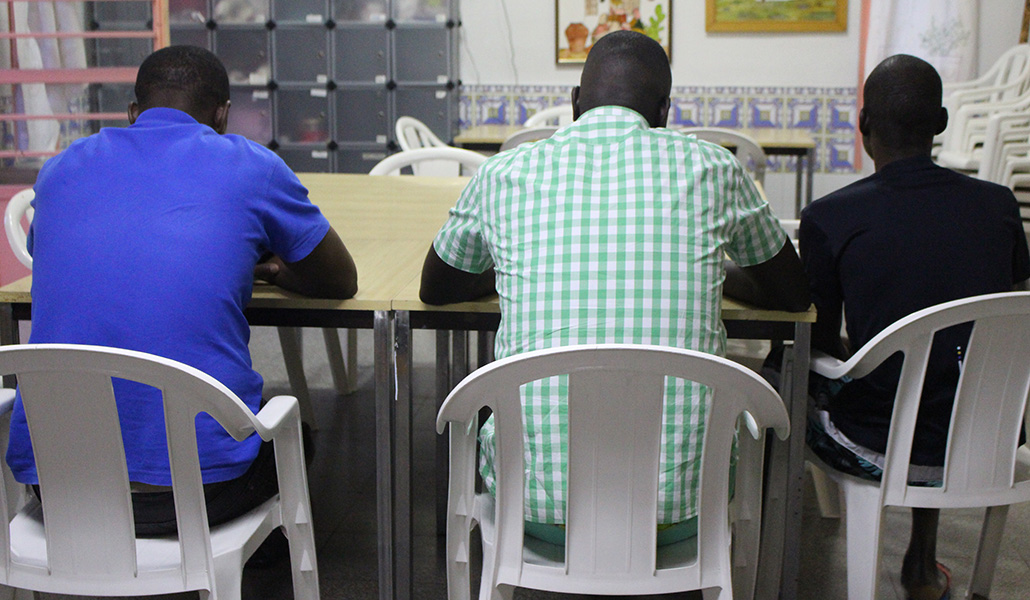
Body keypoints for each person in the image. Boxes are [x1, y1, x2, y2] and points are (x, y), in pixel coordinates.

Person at [420, 30, 809, 544]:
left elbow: (436, 287)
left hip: (532, 506)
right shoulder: (714, 168)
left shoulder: (505, 172)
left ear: (575, 103)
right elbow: (792, 293)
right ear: (665, 111)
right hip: (686, 509)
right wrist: (717, 268)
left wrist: (512, 262)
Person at [6, 45, 358, 535]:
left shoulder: (62, 168)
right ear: (223, 115)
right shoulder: (252, 165)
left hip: (62, 487)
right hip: (203, 493)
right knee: (298, 435)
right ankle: (241, 564)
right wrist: (271, 270)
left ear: (134, 112)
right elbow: (339, 279)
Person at [799, 54, 1030, 600]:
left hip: (877, 442)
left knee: (786, 377)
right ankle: (922, 565)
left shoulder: (830, 217)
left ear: (863, 126)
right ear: (943, 122)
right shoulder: (998, 208)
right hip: (988, 435)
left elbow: (822, 340)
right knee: (944, 371)